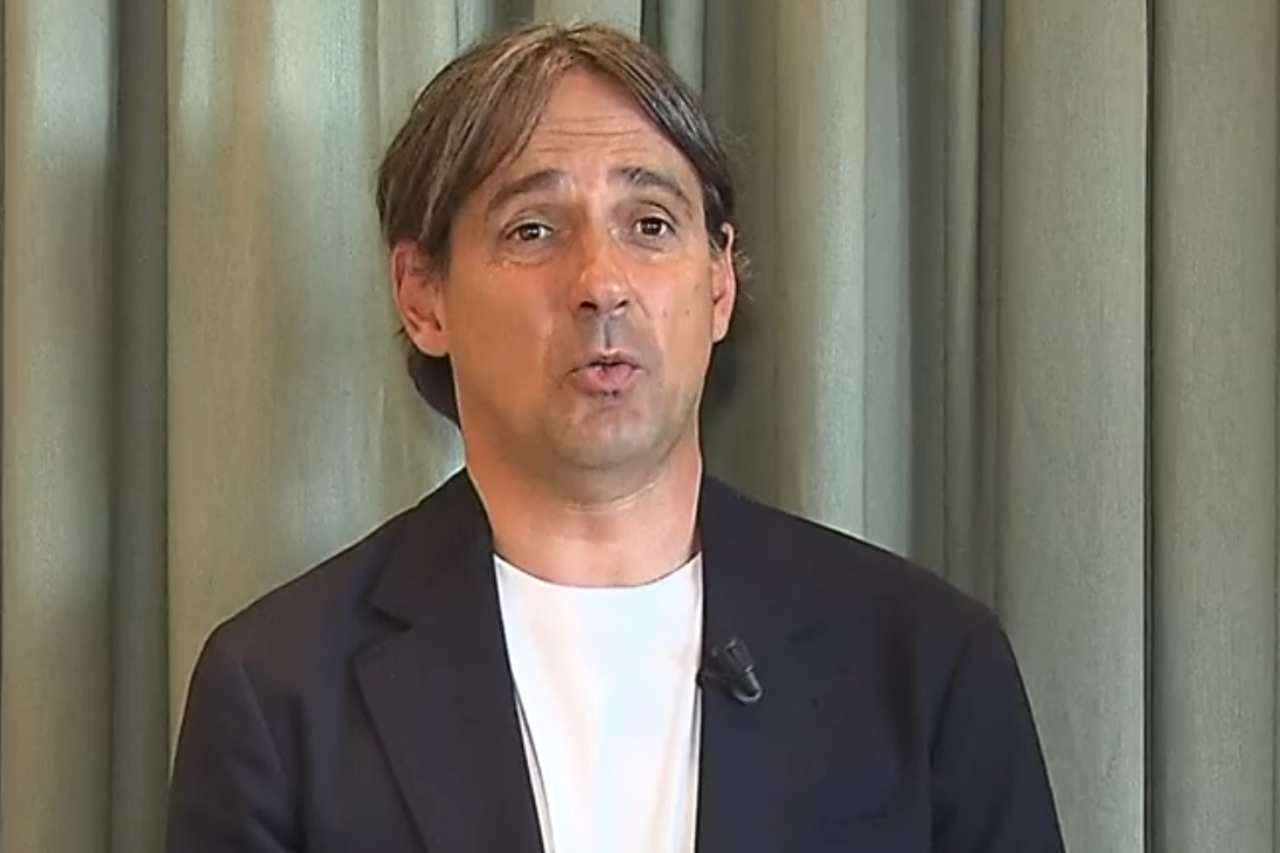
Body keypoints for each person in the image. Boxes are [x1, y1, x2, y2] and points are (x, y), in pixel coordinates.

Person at [165, 21, 1065, 853]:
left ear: (718, 284)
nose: (602, 282)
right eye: (532, 229)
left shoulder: (925, 663)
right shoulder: (280, 692)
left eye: (650, 225)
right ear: (422, 296)